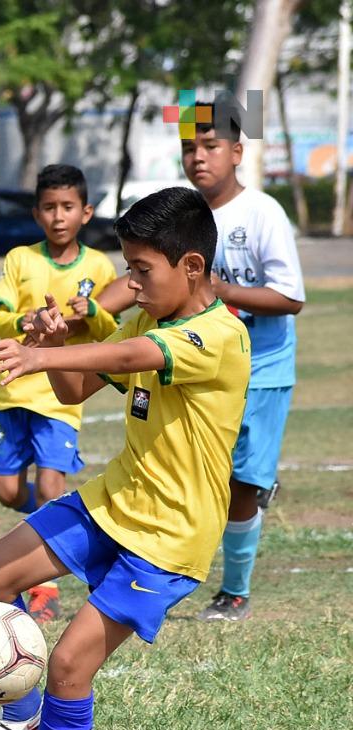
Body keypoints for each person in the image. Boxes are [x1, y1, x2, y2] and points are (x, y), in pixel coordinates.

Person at [0, 187, 249, 730]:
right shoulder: (151, 314)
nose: (131, 284)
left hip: (169, 540)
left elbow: (126, 358)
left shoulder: (217, 335)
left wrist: (42, 352)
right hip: (112, 501)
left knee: (69, 663)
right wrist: (62, 337)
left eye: (142, 271)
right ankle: (23, 716)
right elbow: (78, 387)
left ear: (192, 268)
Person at [97, 104, 306, 622]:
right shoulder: (178, 215)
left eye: (210, 146)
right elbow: (138, 279)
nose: (198, 157)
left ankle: (234, 590)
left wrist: (218, 290)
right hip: (183, 366)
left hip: (260, 366)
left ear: (237, 152)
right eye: (189, 147)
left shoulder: (261, 213)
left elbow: (291, 297)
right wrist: (84, 312)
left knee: (243, 482)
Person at [0, 164, 122, 635]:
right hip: (13, 388)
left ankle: (45, 585)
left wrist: (96, 311)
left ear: (86, 212)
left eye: (67, 207)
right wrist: (25, 323)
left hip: (61, 393)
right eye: (48, 207)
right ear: (36, 212)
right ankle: (60, 524)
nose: (58, 216)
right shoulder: (21, 259)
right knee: (7, 492)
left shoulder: (99, 267)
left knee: (48, 486)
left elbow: (112, 334)